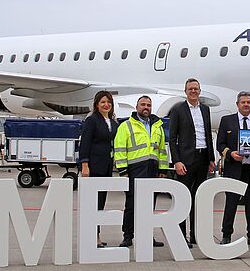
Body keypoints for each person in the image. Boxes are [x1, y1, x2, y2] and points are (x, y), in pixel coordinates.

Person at [114, 95, 168, 248]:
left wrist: (163, 169)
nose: (146, 107)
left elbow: (162, 150)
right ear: (136, 107)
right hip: (134, 169)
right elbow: (119, 149)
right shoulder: (126, 125)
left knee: (150, 204)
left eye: (149, 105)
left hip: (152, 169)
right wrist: (123, 170)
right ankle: (128, 236)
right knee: (132, 204)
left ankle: (146, 236)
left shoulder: (158, 126)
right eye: (143, 104)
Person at [167, 78, 216, 247]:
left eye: (196, 89)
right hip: (186, 160)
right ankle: (181, 236)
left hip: (203, 158)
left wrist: (211, 158)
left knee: (199, 198)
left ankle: (196, 235)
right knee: (183, 198)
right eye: (190, 89)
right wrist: (177, 161)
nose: (193, 91)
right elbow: (172, 139)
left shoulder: (205, 109)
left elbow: (207, 134)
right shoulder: (178, 110)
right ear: (185, 91)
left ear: (199, 91)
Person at [217, 91, 250, 245]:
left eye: (248, 102)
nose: (246, 105)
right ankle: (226, 234)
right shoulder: (227, 121)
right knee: (231, 204)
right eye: (243, 102)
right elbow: (220, 144)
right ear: (237, 104)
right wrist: (230, 154)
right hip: (234, 169)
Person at [79, 90, 118, 248]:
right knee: (93, 203)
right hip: (94, 166)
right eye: (102, 102)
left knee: (101, 203)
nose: (106, 104)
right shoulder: (92, 120)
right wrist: (84, 164)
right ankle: (93, 236)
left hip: (107, 167)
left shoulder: (113, 122)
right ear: (96, 104)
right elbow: (85, 143)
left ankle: (96, 234)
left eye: (108, 102)